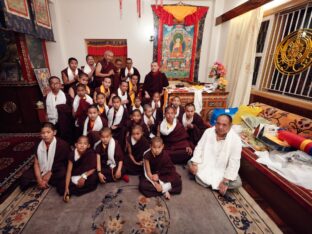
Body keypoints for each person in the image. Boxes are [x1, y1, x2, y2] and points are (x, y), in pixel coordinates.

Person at [188, 114, 242, 195]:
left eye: (224, 125)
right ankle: (215, 184)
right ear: (215, 123)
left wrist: (226, 180)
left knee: (238, 183)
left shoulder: (236, 140)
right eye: (218, 123)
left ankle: (203, 180)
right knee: (190, 162)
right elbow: (199, 147)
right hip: (205, 163)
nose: (220, 127)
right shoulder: (208, 132)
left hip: (222, 169)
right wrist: (195, 163)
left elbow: (235, 161)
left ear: (230, 126)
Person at [20, 122, 70, 191]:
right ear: (40, 134)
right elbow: (36, 163)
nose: (45, 135)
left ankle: (46, 181)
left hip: (56, 169)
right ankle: (43, 182)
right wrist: (39, 179)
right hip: (42, 169)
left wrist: (50, 173)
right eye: (43, 133)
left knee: (63, 175)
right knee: (24, 178)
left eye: (48, 132)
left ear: (54, 132)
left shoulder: (63, 145)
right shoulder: (38, 144)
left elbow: (65, 163)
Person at [58, 136, 98, 201]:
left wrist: (83, 177)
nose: (82, 145)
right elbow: (69, 172)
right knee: (61, 185)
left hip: (86, 174)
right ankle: (69, 190)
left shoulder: (90, 153)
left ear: (88, 146)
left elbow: (93, 168)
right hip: (74, 175)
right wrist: (66, 188)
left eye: (85, 144)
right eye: (80, 143)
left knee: (93, 179)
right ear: (76, 145)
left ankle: (73, 189)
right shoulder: (72, 154)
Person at [45, 76, 74, 144]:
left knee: (65, 139)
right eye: (52, 83)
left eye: (57, 83)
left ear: (60, 84)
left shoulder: (66, 96)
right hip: (52, 121)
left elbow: (70, 110)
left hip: (64, 122)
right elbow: (46, 111)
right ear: (49, 85)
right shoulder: (46, 97)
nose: (55, 85)